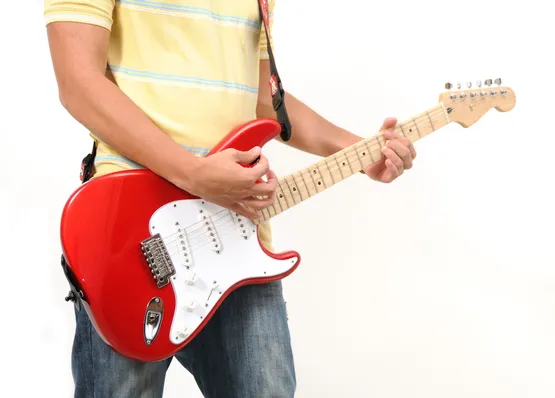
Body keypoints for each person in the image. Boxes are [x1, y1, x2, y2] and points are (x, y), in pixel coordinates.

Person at [44, 0, 417, 397]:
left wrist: (359, 153)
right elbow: (77, 81)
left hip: (236, 236)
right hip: (128, 232)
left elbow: (262, 99)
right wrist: (194, 173)